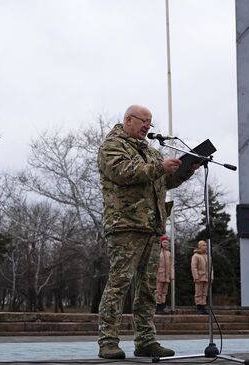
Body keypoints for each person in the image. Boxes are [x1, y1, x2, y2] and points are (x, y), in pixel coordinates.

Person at [96, 104, 197, 359]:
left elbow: (163, 180)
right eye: (144, 122)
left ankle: (145, 340)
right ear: (128, 120)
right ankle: (108, 341)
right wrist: (160, 168)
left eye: (150, 124)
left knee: (148, 287)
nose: (147, 127)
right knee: (119, 283)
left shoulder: (150, 152)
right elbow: (124, 172)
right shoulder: (112, 146)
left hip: (151, 226)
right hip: (125, 225)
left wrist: (185, 171)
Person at [155, 236, 174, 315]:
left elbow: (171, 265)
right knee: (158, 291)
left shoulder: (169, 253)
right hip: (159, 275)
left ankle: (162, 307)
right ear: (161, 243)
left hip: (167, 276)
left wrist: (172, 275)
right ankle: (158, 307)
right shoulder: (157, 252)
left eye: (167, 242)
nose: (166, 244)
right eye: (164, 242)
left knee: (164, 292)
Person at [191, 240, 211, 315]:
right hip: (199, 277)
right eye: (203, 245)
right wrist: (196, 277)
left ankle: (203, 307)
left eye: (205, 245)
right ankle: (199, 308)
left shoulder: (207, 256)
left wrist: (211, 276)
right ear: (199, 246)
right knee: (198, 293)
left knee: (204, 293)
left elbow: (210, 267)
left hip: (206, 277)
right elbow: (194, 267)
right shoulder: (196, 256)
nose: (205, 246)